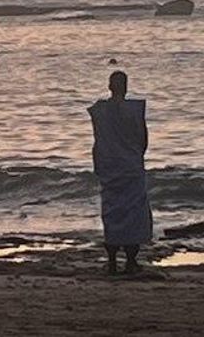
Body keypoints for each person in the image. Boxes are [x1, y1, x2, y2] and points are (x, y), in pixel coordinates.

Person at [87, 70, 152, 275]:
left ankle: (113, 260)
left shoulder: (99, 110)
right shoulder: (134, 110)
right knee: (133, 212)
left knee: (112, 211)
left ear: (109, 86)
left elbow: (97, 139)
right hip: (130, 164)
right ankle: (131, 261)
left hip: (109, 164)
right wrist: (135, 157)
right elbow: (143, 139)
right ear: (126, 87)